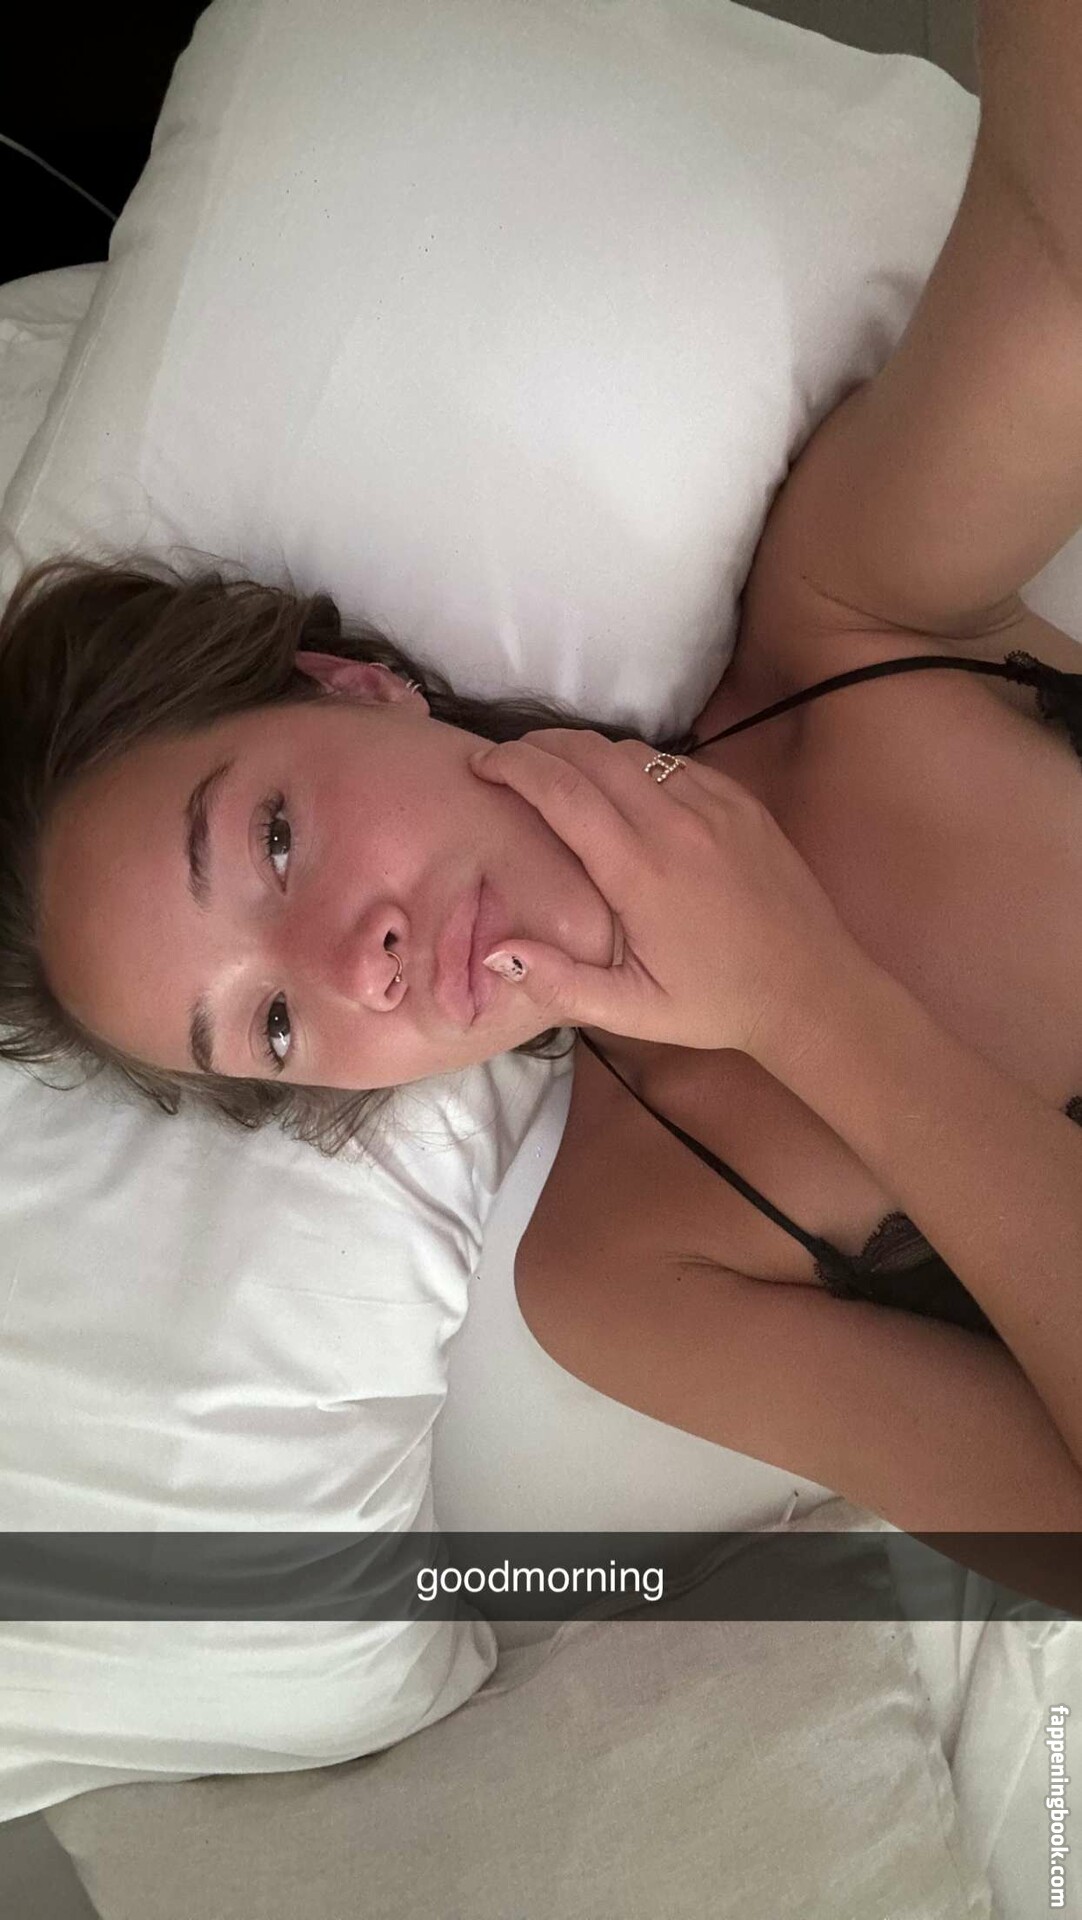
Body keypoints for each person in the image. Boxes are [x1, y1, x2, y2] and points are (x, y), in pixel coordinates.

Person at [3, 0, 1082, 1553]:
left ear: (355, 685)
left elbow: (1054, 247)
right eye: (276, 1027)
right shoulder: (624, 1274)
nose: (352, 966)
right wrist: (803, 1004)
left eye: (276, 840)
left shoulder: (846, 619)